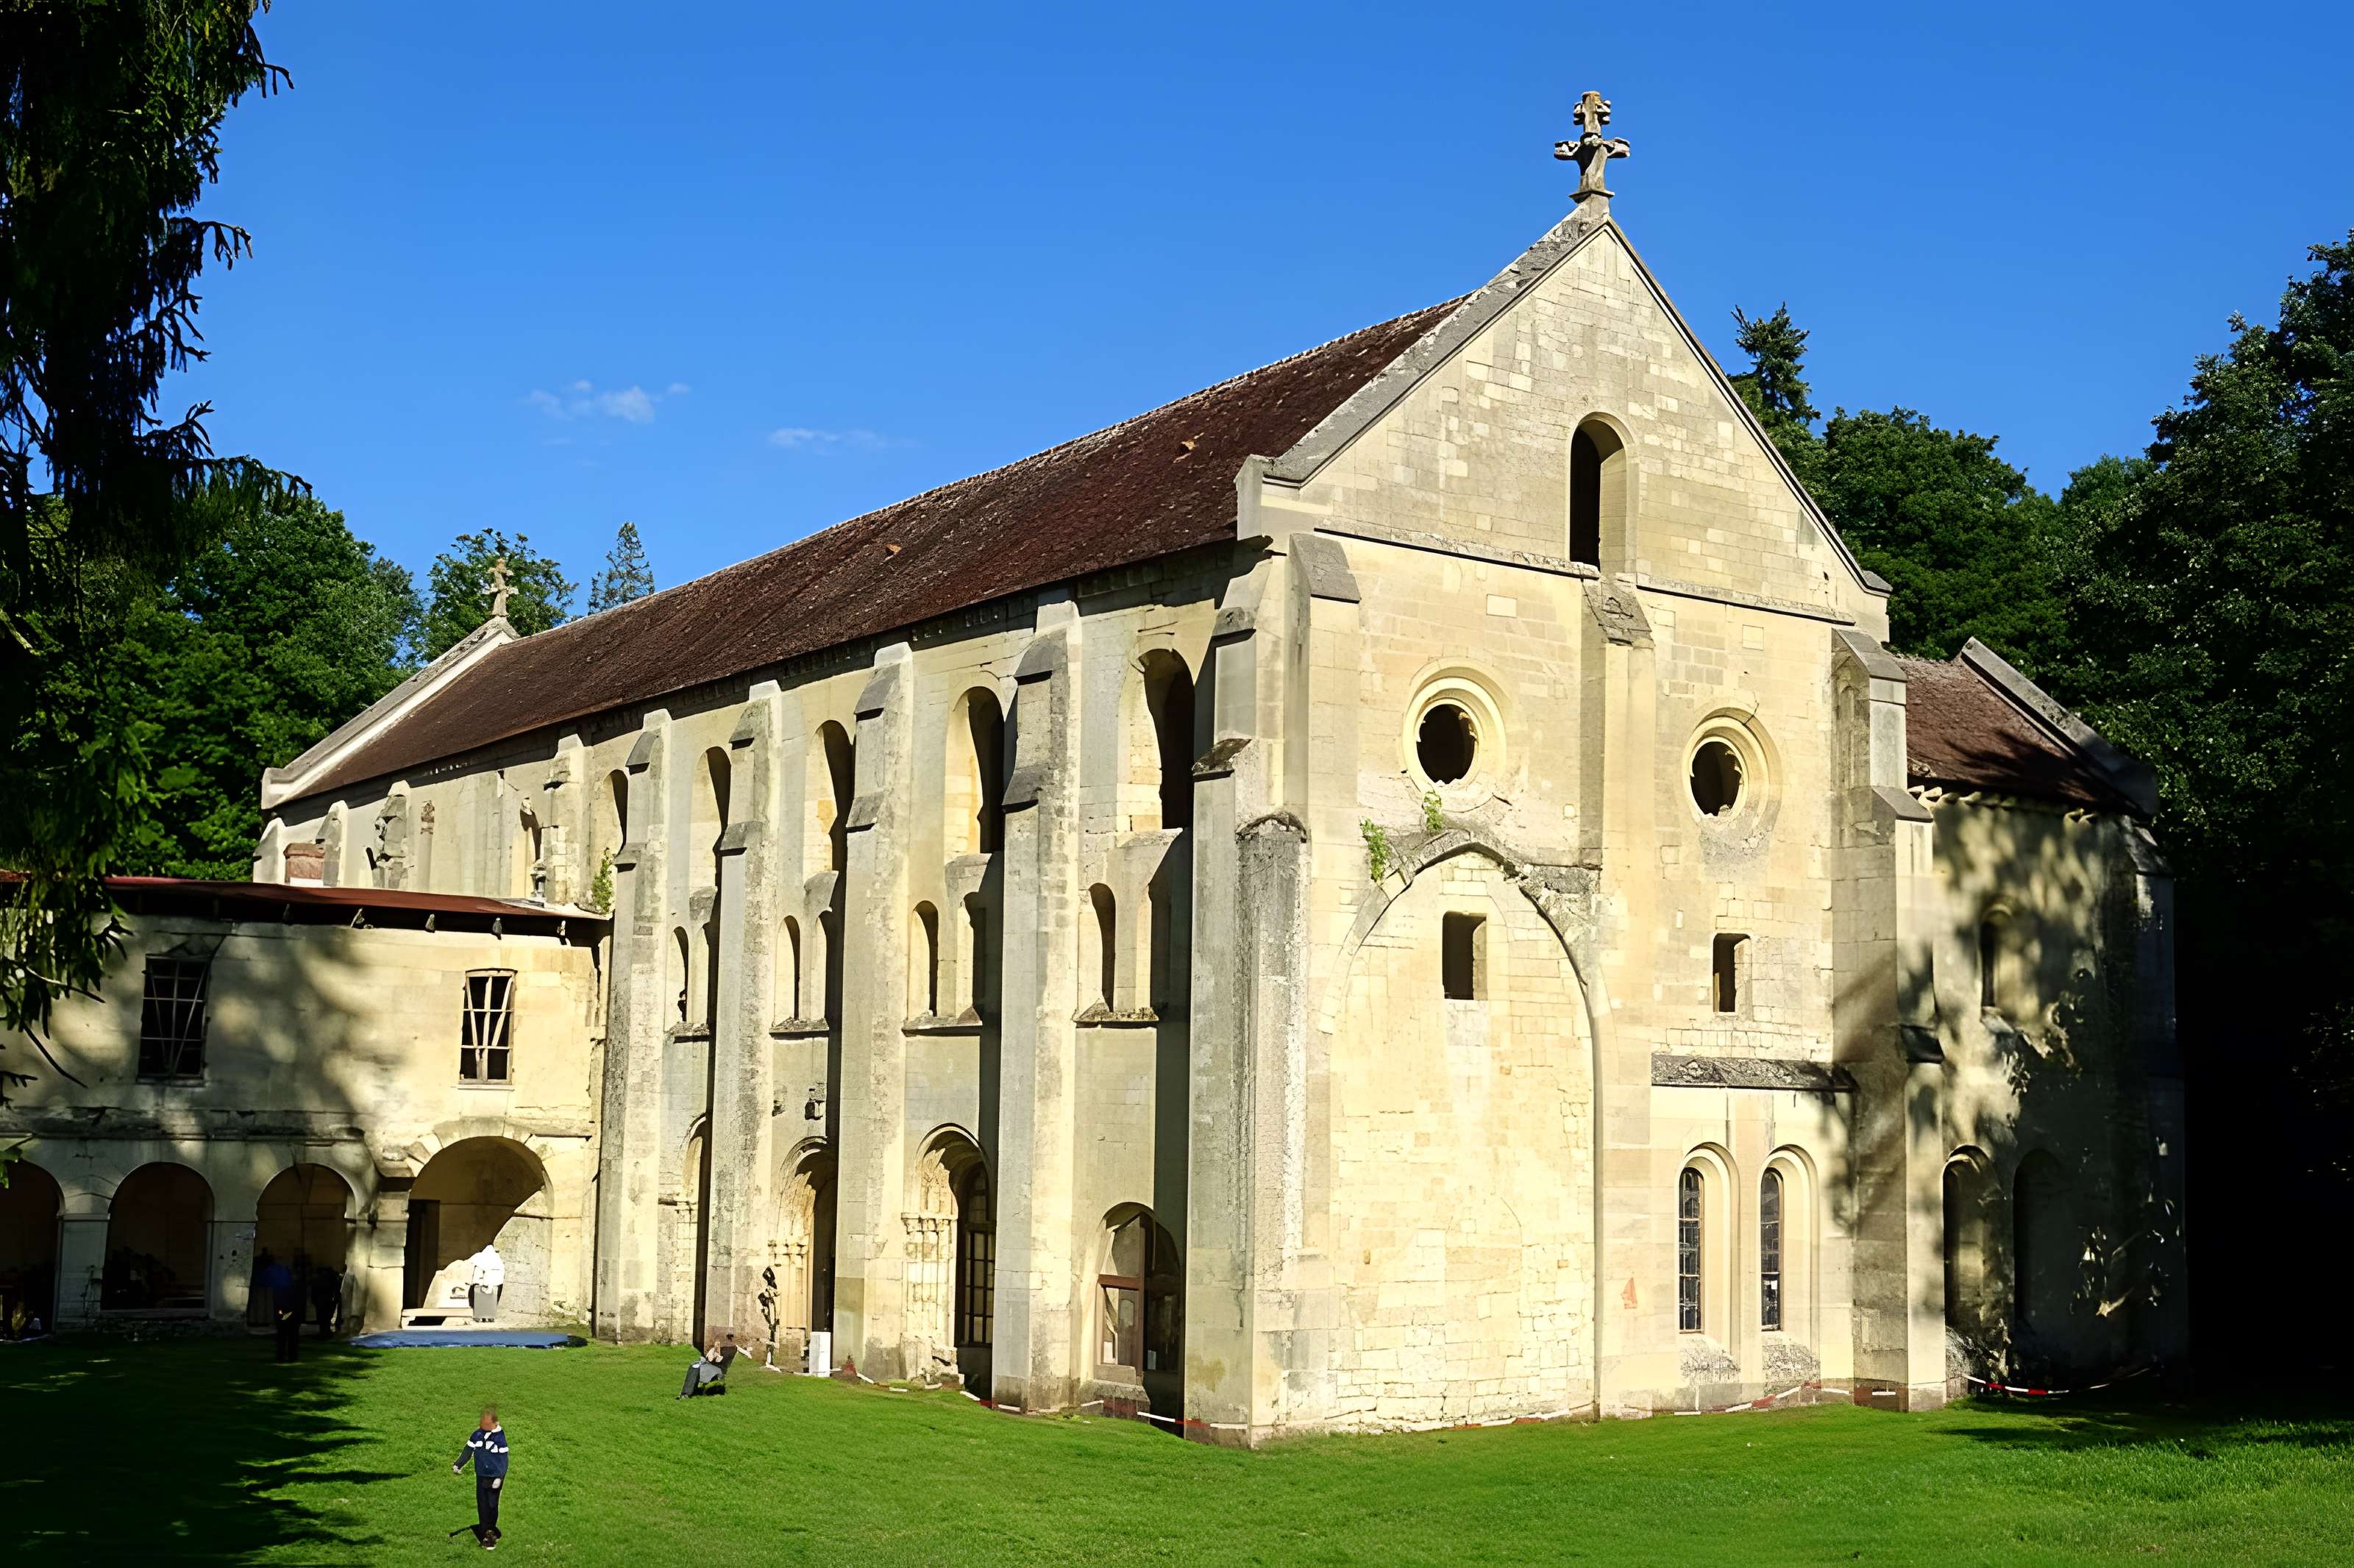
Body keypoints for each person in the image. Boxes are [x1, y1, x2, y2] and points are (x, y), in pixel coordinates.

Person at [452, 1404, 511, 1549]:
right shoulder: (477, 1434)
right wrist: (458, 1464)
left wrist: (499, 1478)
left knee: (492, 1504)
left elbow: (504, 1461)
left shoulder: (500, 1438)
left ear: (495, 1423)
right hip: (481, 1475)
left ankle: (491, 1530)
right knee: (482, 1505)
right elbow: (468, 1450)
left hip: (495, 1477)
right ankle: (486, 1534)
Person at [260, 1252, 300, 1363]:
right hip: (288, 1309)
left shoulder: (280, 1277)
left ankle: (283, 1356)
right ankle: (289, 1356)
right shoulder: (286, 1278)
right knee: (289, 1334)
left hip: (285, 1309)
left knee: (284, 1334)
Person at [676, 1332, 743, 1399]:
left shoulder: (732, 1349)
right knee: (694, 1365)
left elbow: (719, 1361)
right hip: (711, 1365)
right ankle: (687, 1392)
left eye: (729, 1338)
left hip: (719, 1369)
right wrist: (714, 1350)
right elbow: (709, 1357)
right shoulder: (719, 1348)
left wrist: (716, 1355)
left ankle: (687, 1394)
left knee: (697, 1368)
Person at [467, 1244, 504, 1322]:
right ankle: (490, 1317)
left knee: (480, 1300)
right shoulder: (497, 1260)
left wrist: (479, 1282)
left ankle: (480, 1316)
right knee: (491, 1300)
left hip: (481, 1284)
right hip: (494, 1284)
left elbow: (472, 1264)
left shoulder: (480, 1258)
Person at [309, 1261, 342, 1337]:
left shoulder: (318, 1278)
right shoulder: (331, 1277)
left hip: (321, 1300)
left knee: (322, 1317)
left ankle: (323, 1332)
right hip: (327, 1300)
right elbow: (336, 1289)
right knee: (326, 1317)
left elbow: (314, 1290)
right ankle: (325, 1332)